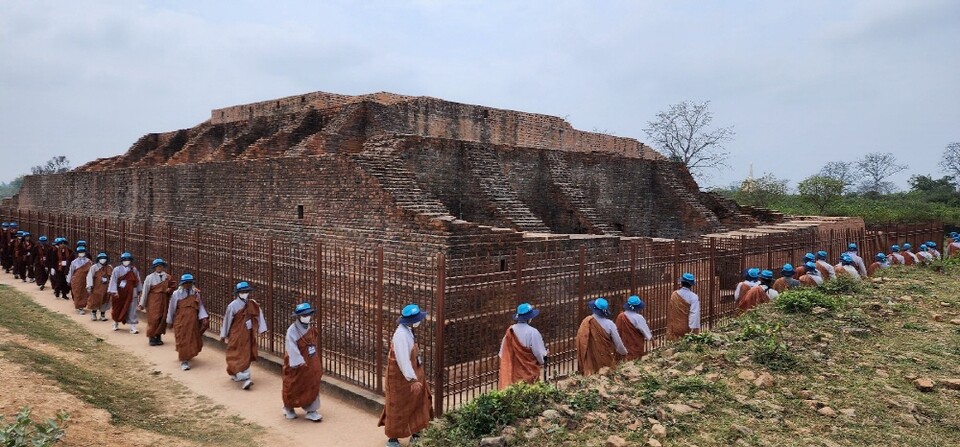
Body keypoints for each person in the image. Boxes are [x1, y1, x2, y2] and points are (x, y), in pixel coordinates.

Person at [379, 304, 433, 447]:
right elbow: (403, 360)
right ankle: (393, 438)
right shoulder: (401, 336)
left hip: (414, 374)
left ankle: (415, 432)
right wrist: (412, 379)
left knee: (417, 404)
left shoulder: (408, 331)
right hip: (401, 379)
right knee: (397, 407)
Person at [221, 281, 268, 390]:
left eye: (246, 291)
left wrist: (262, 329)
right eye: (242, 292)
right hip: (236, 334)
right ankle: (239, 373)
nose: (245, 293)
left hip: (248, 334)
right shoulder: (232, 306)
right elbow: (227, 320)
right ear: (238, 293)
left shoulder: (252, 304)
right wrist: (223, 334)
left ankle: (245, 377)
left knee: (246, 353)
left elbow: (259, 315)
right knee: (235, 353)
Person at [282, 302, 324, 422]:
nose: (307, 317)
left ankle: (312, 410)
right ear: (298, 316)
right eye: (304, 315)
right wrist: (298, 361)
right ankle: (288, 407)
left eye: (309, 314)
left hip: (310, 361)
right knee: (293, 384)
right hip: (296, 363)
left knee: (312, 382)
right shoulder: (292, 330)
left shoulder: (310, 328)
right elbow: (291, 347)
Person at [498, 302, 547, 389]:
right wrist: (542, 361)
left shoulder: (510, 332)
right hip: (529, 372)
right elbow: (539, 353)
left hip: (514, 374)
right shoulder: (533, 332)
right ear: (530, 318)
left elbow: (502, 353)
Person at [166, 273, 209, 371]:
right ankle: (184, 360)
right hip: (181, 320)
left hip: (193, 321)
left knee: (192, 338)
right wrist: (169, 320)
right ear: (182, 284)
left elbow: (200, 306)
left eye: (189, 283)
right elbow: (172, 307)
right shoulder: (176, 294)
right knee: (182, 339)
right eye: (186, 283)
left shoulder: (195, 293)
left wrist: (204, 317)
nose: (188, 285)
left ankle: (188, 354)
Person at [576, 298, 628, 376]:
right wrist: (624, 352)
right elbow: (618, 345)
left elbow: (581, 341)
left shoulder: (585, 323)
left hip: (590, 362)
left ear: (594, 308)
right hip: (606, 359)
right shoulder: (610, 324)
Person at [138, 259, 177, 346]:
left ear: (163, 267)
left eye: (160, 266)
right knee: (153, 319)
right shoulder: (149, 278)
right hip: (153, 300)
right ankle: (151, 337)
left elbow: (173, 286)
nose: (159, 267)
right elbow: (145, 291)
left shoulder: (167, 277)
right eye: (157, 266)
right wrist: (142, 303)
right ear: (155, 267)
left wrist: (169, 289)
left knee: (162, 319)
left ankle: (158, 336)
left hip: (164, 300)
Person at [108, 252, 142, 333]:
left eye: (128, 260)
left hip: (131, 292)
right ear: (121, 260)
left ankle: (133, 326)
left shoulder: (133, 269)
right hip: (120, 292)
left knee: (132, 309)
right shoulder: (117, 269)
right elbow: (113, 280)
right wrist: (114, 291)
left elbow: (138, 280)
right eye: (125, 260)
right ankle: (115, 322)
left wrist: (139, 290)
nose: (126, 261)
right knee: (117, 308)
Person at [615, 295, 652, 362]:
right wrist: (651, 339)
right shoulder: (638, 317)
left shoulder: (620, 316)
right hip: (635, 346)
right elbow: (645, 331)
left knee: (623, 362)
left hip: (622, 344)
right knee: (635, 362)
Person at [667, 273, 701, 340]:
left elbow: (671, 311)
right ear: (691, 285)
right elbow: (694, 313)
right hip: (687, 327)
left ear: (681, 282)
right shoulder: (693, 297)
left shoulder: (674, 294)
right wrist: (693, 328)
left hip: (675, 326)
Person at [85, 252, 113, 321]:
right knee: (95, 300)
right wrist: (89, 286)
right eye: (101, 259)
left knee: (105, 300)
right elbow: (89, 277)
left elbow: (112, 278)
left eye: (104, 259)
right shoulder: (94, 267)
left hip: (106, 288)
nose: (103, 260)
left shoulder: (109, 267)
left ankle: (102, 315)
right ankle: (94, 313)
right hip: (96, 288)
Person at [67, 245, 92, 314]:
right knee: (77, 293)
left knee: (84, 293)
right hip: (77, 281)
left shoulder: (88, 261)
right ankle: (80, 307)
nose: (81, 253)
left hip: (85, 280)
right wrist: (69, 280)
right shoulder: (74, 262)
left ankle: (83, 306)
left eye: (82, 252)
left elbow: (91, 271)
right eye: (80, 252)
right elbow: (71, 271)